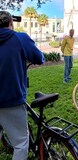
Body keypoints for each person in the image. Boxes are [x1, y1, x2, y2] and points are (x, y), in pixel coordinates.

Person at [0, 11, 45, 160]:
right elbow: (39, 58)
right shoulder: (19, 38)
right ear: (10, 24)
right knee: (20, 143)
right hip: (11, 99)